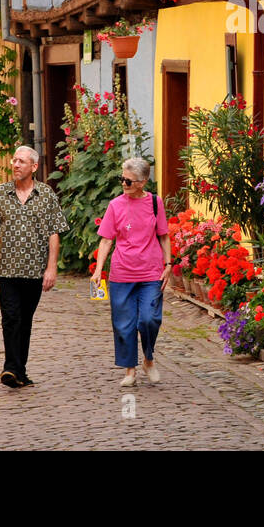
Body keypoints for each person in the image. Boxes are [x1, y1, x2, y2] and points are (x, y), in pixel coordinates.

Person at [0, 145, 67, 389]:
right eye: (14, 161)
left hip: (35, 271)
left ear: (34, 167)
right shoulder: (1, 194)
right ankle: (10, 368)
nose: (16, 165)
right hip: (6, 270)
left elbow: (54, 233)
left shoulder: (46, 194)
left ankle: (20, 371)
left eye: (21, 162)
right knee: (10, 318)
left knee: (25, 320)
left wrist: (52, 268)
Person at [92, 156, 170, 387]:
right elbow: (106, 241)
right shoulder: (115, 205)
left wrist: (168, 266)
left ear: (143, 181)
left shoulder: (155, 203)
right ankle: (130, 371)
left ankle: (148, 359)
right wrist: (98, 271)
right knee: (124, 323)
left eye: (129, 181)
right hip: (122, 273)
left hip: (151, 272)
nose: (124, 184)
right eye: (122, 179)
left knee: (149, 319)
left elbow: (164, 235)